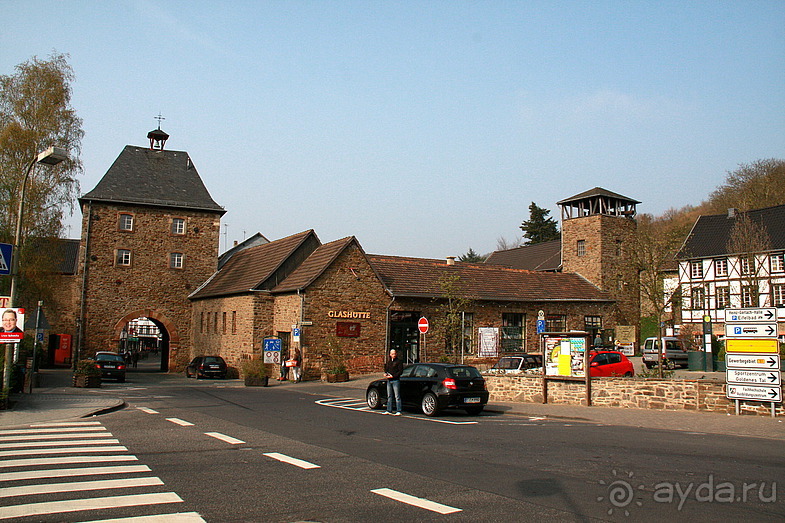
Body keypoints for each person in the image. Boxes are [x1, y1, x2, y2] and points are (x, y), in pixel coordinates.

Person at [384, 349, 403, 416]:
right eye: (392, 354)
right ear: (390, 354)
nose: (393, 355)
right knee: (389, 396)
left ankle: (399, 410)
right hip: (389, 380)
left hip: (395, 380)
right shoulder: (389, 362)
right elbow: (387, 370)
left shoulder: (398, 362)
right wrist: (386, 374)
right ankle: (389, 410)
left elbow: (400, 371)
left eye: (394, 354)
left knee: (397, 396)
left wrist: (393, 376)